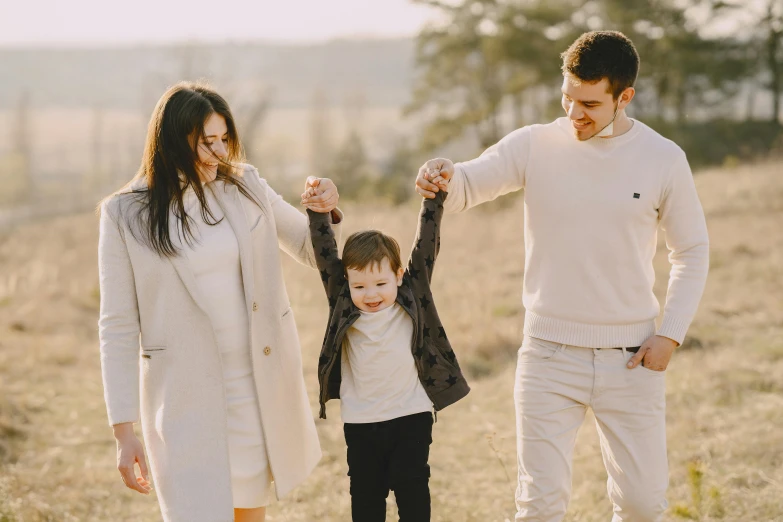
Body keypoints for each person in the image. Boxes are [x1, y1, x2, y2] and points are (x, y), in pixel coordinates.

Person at [415, 31, 709, 522]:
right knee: (540, 507)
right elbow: (470, 180)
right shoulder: (535, 144)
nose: (575, 114)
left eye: (590, 103)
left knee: (642, 506)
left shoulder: (664, 159)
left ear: (625, 97)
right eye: (567, 98)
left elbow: (693, 251)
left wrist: (671, 334)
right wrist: (443, 175)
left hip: (632, 358)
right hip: (548, 357)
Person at [97, 81, 341, 522]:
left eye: (223, 138)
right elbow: (116, 325)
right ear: (171, 141)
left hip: (253, 388)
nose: (218, 152)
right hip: (184, 400)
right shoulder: (124, 214)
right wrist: (123, 431)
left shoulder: (244, 184)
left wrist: (321, 210)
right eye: (204, 141)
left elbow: (310, 250)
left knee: (249, 514)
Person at [304, 184, 469, 522]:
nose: (371, 294)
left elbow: (426, 244)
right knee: (365, 499)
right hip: (361, 423)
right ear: (347, 282)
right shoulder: (343, 301)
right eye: (360, 286)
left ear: (398, 275)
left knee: (413, 493)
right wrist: (319, 210)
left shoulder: (412, 293)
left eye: (380, 284)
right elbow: (324, 252)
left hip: (411, 417)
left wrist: (432, 198)